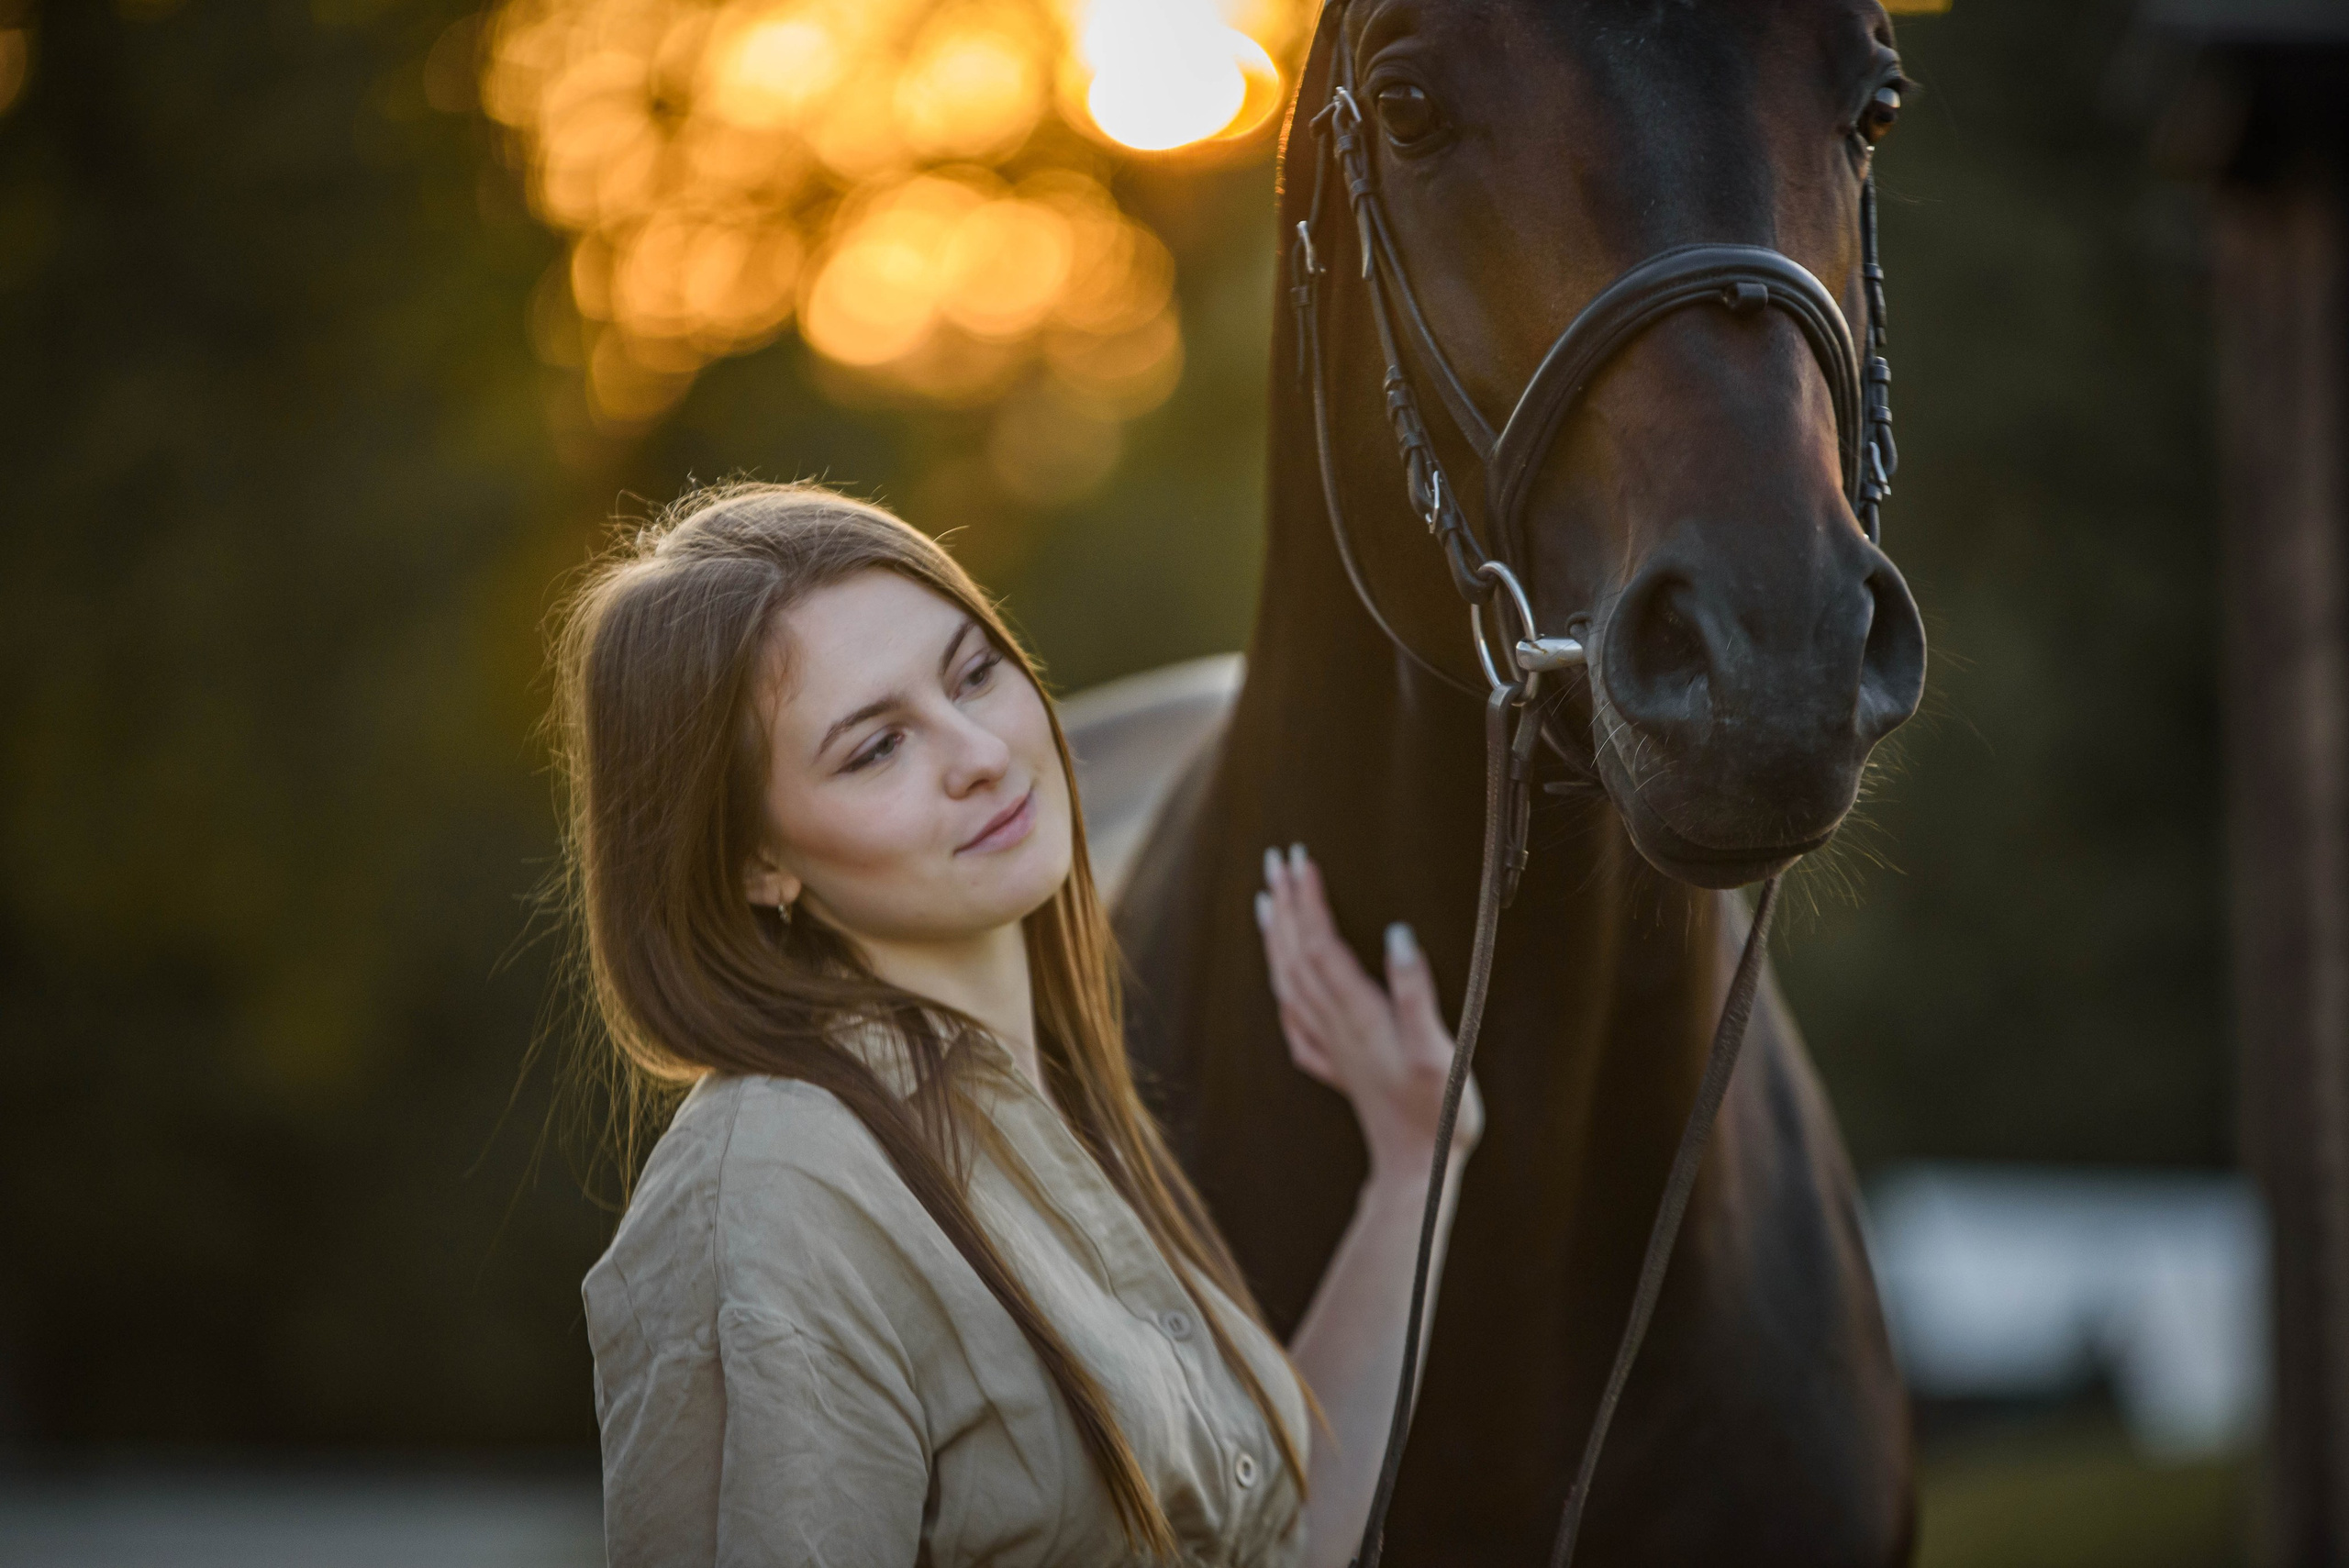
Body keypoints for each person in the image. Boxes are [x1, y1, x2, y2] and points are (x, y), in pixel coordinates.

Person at [549, 481, 1482, 1567]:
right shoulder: (773, 1193)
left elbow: (1278, 1542)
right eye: (874, 748)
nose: (978, 751)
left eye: (973, 673)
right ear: (755, 862)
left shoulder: (1053, 1100)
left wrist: (1417, 1163)